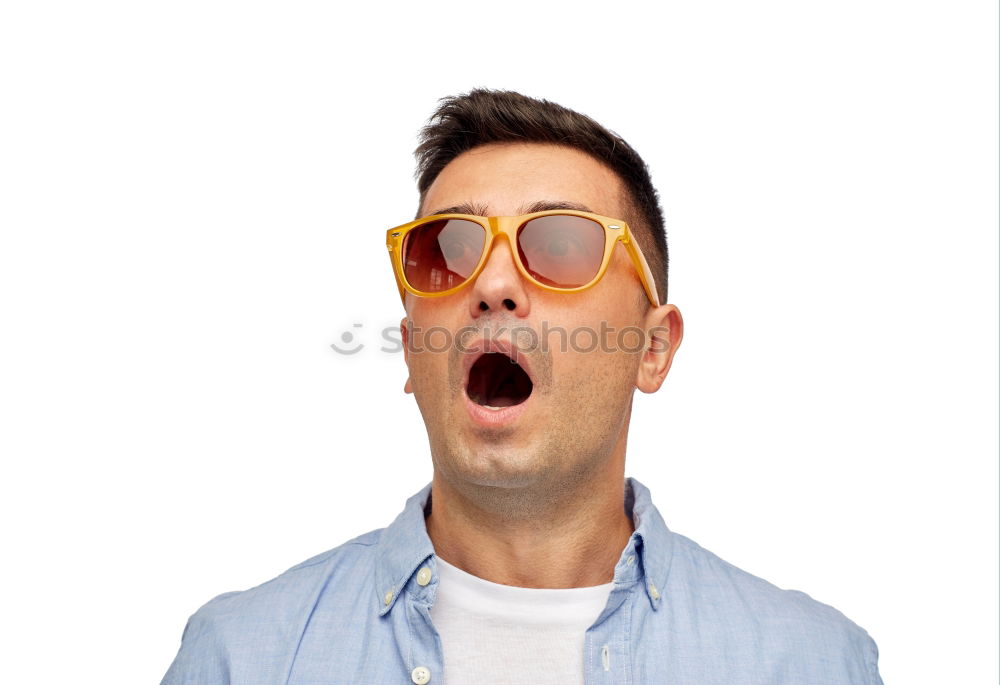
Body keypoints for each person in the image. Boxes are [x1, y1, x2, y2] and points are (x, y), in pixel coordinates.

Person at [161, 89, 883, 685]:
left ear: (653, 348)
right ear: (413, 348)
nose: (494, 285)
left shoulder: (811, 663)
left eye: (561, 243)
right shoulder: (238, 657)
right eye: (448, 250)